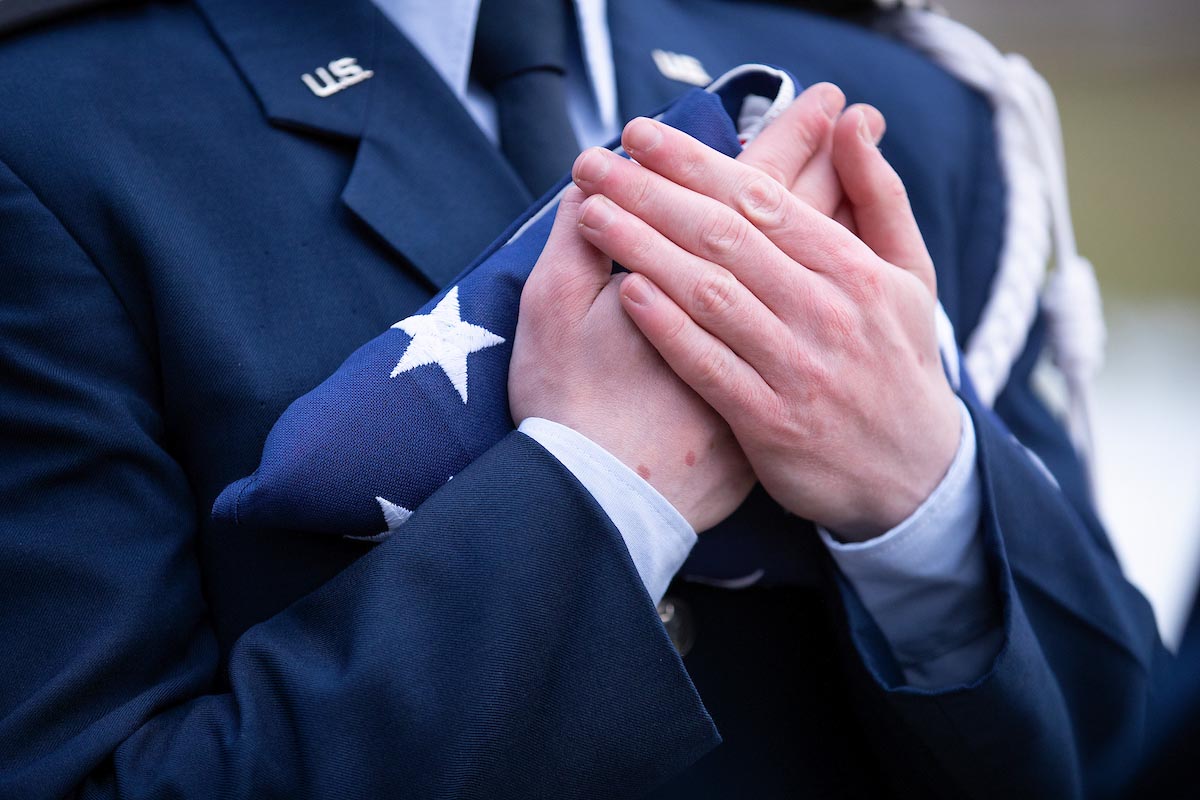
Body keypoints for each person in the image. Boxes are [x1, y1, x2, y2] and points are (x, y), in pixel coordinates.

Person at [0, 0, 1167, 797]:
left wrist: (925, 492)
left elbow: (1115, 744)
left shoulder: (896, 104)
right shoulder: (49, 139)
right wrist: (599, 492)